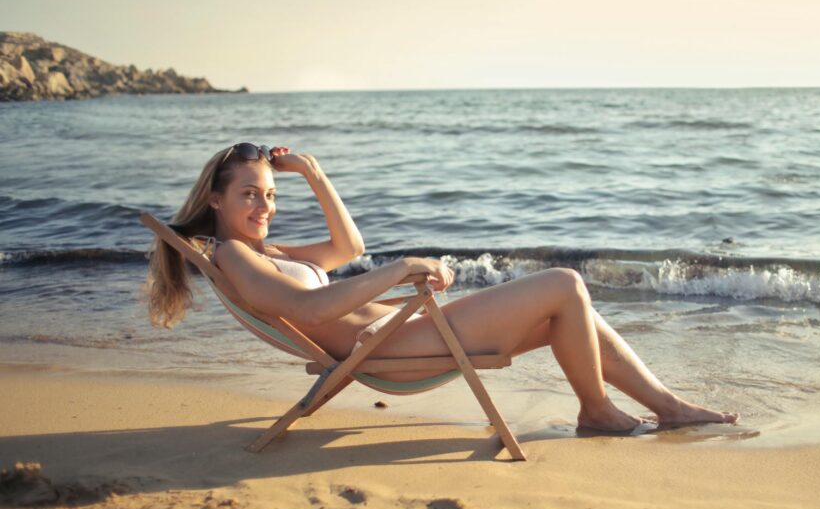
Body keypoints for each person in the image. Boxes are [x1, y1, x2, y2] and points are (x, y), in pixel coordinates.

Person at [145, 142, 739, 432]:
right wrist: (402, 269)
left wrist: (315, 174)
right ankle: (597, 410)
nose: (264, 205)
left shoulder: (262, 252)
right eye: (250, 193)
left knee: (572, 306)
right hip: (389, 350)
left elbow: (348, 250)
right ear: (216, 199)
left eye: (271, 195)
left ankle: (666, 406)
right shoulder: (236, 259)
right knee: (564, 282)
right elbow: (308, 305)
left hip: (401, 335)